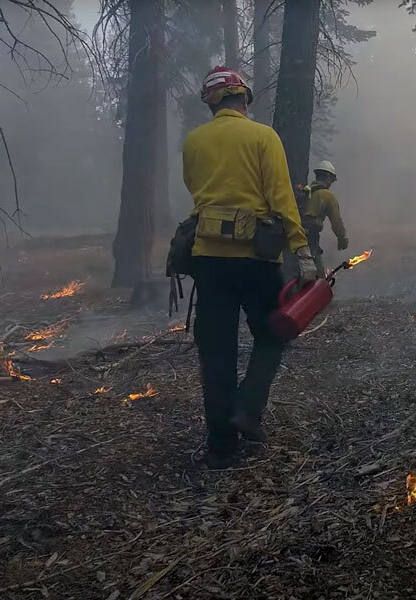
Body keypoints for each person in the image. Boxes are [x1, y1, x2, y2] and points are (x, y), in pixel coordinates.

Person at [182, 66, 320, 468]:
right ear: (244, 98)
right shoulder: (262, 136)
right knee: (272, 334)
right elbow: (281, 197)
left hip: (208, 259)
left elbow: (194, 189)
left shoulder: (194, 141)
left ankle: (220, 446)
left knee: (217, 352)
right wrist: (303, 250)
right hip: (258, 260)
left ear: (212, 102)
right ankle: (248, 406)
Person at [299, 161, 348, 275]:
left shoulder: (307, 192)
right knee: (317, 273)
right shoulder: (327, 196)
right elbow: (336, 222)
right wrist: (342, 239)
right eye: (331, 179)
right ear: (328, 177)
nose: (331, 183)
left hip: (295, 238)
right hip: (310, 240)